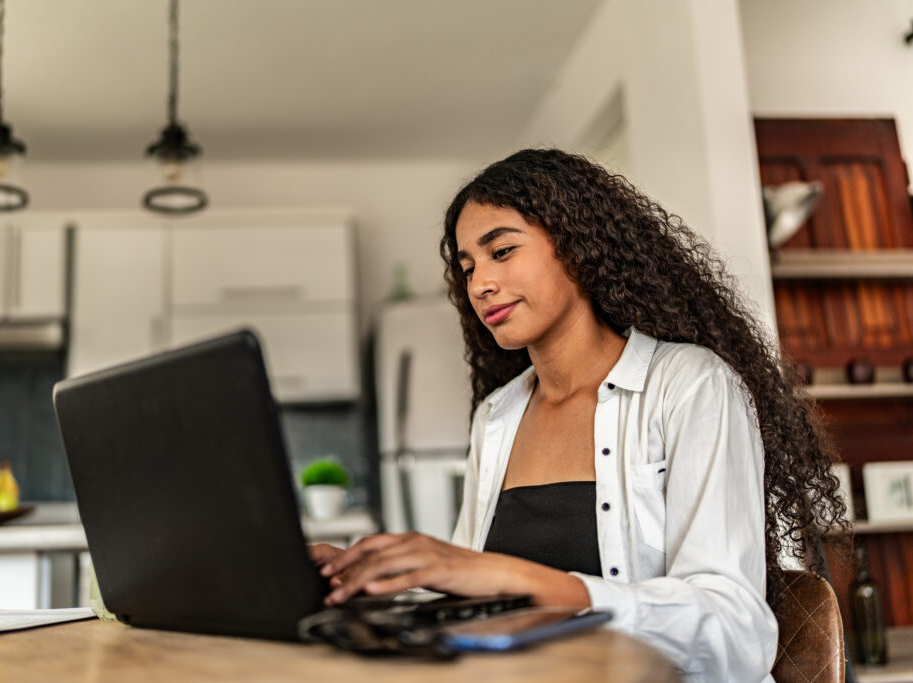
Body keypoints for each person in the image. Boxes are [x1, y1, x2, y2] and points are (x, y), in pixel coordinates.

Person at [310, 149, 847, 681]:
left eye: (501, 252)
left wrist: (525, 581)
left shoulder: (689, 384)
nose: (478, 285)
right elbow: (485, 596)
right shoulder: (497, 416)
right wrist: (380, 579)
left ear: (576, 246)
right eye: (468, 267)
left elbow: (733, 633)